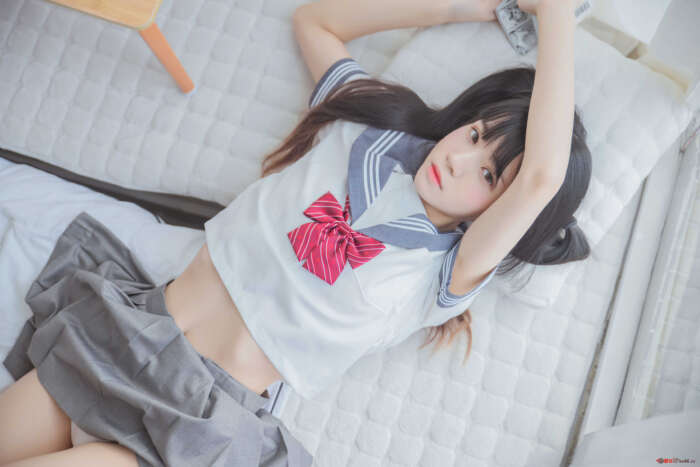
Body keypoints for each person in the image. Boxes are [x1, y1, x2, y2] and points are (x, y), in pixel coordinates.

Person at [0, 0, 590, 465]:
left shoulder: (444, 272)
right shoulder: (363, 128)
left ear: (499, 211)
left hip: (191, 420)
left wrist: (555, 11)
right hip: (123, 338)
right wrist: (482, 7)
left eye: (488, 175)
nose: (460, 158)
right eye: (475, 134)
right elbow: (317, 21)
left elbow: (542, 177)